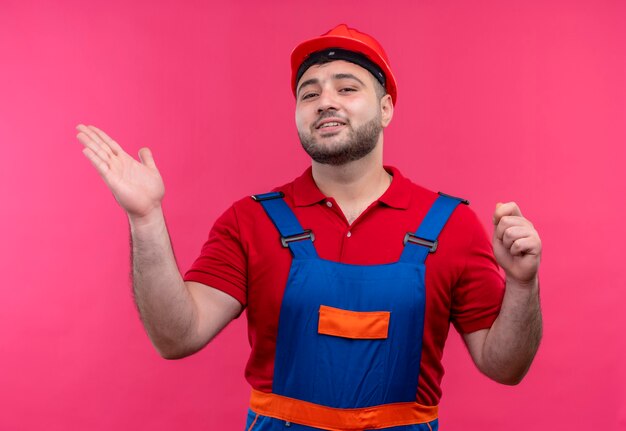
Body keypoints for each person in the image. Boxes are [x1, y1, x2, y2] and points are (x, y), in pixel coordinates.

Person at [76, 24, 542, 431]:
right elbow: (175, 336)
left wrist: (522, 284)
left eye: (346, 87)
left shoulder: (450, 224)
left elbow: (505, 367)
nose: (325, 102)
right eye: (310, 93)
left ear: (385, 110)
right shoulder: (251, 220)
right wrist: (146, 218)